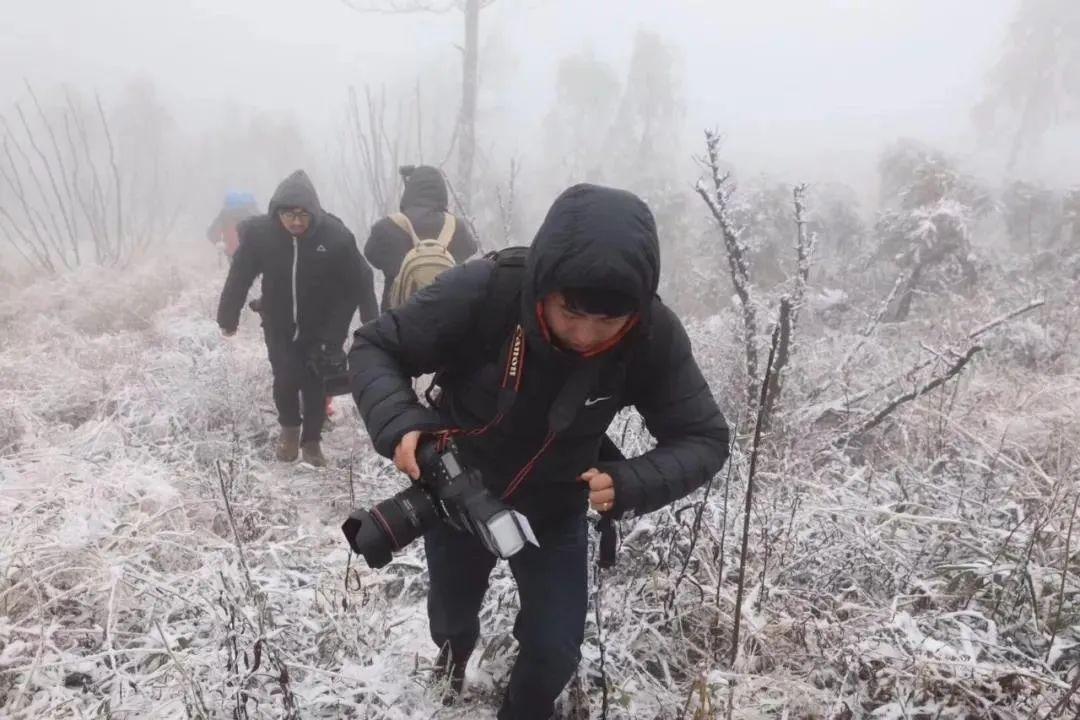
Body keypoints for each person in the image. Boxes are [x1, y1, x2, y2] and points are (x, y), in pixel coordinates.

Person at [349, 184, 730, 719]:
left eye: (607, 323)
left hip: (554, 509)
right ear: (542, 285)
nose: (584, 335)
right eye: (570, 313)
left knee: (554, 650)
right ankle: (453, 659)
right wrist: (403, 426)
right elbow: (374, 346)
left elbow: (705, 437)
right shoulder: (490, 291)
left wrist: (631, 482)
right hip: (458, 494)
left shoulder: (650, 334)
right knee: (452, 616)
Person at [218, 170, 378, 467]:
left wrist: (372, 324)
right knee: (285, 378)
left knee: (316, 381)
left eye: (303, 215)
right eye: (288, 214)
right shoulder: (260, 235)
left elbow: (362, 279)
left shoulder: (335, 236)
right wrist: (228, 317)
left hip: (323, 325)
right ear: (277, 212)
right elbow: (239, 276)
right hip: (278, 322)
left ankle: (312, 442)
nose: (295, 222)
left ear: (313, 213)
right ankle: (289, 430)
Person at [365, 165, 477, 311]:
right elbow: (470, 249)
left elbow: (371, 254)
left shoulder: (386, 227)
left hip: (397, 322)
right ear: (442, 193)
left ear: (410, 191)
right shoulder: (457, 227)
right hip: (445, 321)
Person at [206, 191, 259, 263]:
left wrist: (218, 242)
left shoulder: (225, 215)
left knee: (237, 271)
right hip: (253, 252)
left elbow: (212, 232)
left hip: (233, 252)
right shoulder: (255, 213)